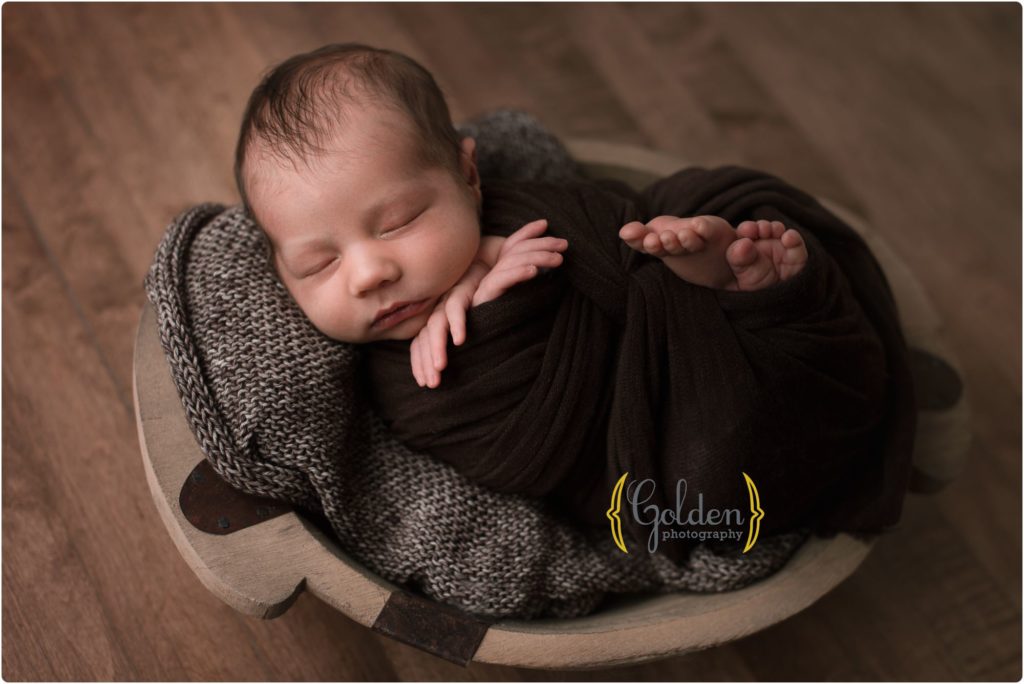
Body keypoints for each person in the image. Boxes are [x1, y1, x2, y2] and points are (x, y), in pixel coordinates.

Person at [234, 43, 915, 562]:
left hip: (642, 288)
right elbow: (517, 456)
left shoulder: (524, 210)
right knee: (706, 485)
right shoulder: (392, 382)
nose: (368, 274)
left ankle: (738, 288)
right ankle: (742, 305)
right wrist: (492, 314)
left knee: (702, 205)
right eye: (318, 264)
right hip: (638, 436)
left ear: (468, 176)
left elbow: (604, 227)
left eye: (399, 222)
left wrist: (494, 266)